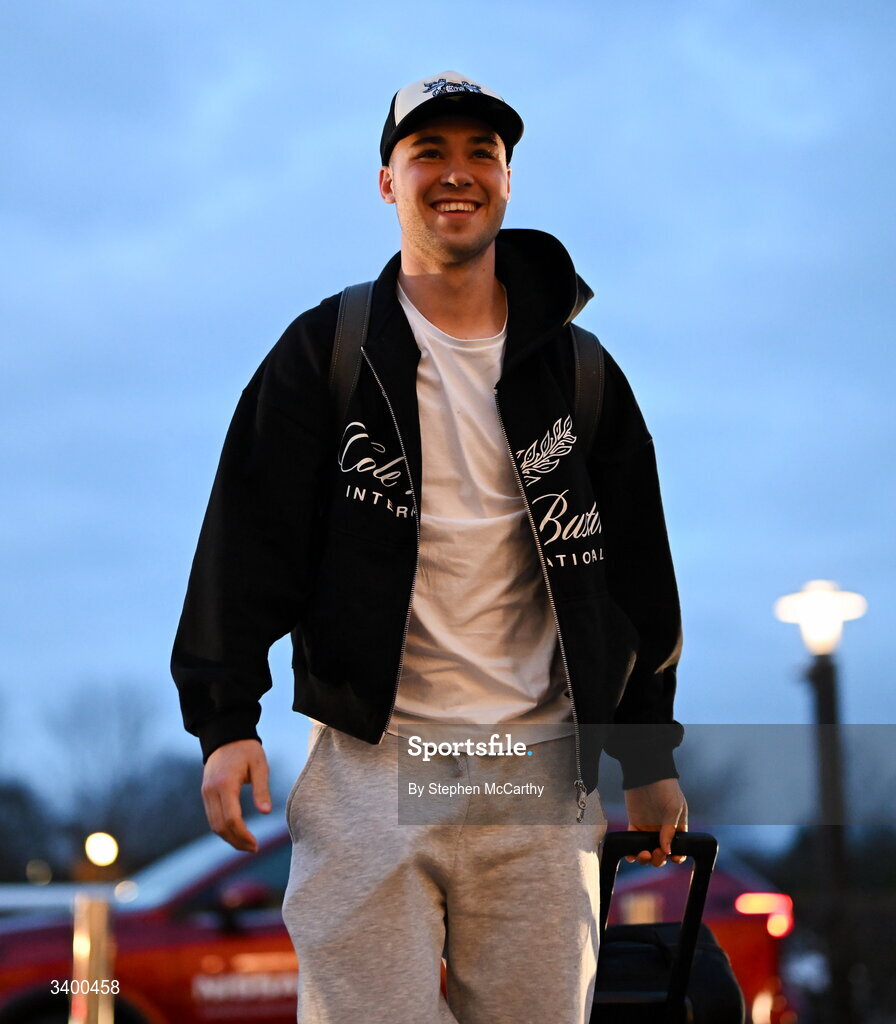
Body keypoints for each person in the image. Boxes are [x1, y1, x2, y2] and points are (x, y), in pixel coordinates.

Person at [172, 70, 688, 1024]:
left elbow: (637, 572)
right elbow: (245, 541)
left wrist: (646, 751)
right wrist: (226, 719)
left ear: (507, 178)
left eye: (481, 153)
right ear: (387, 183)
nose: (458, 174)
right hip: (375, 766)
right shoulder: (329, 351)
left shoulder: (579, 372)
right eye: (430, 153)